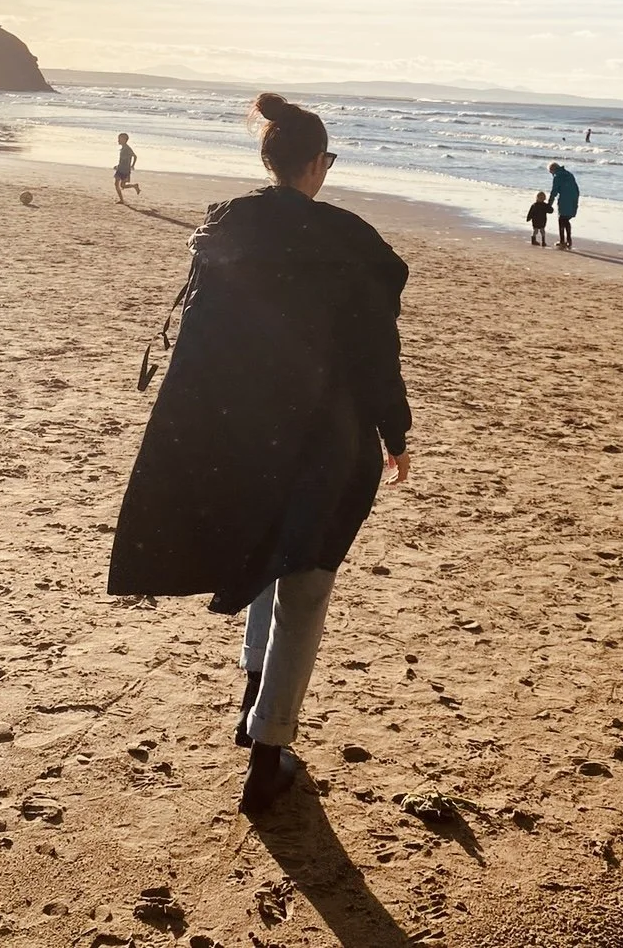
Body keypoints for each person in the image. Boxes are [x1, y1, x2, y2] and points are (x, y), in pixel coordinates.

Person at [108, 92, 411, 817]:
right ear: (314, 164)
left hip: (241, 429)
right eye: (327, 160)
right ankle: (268, 750)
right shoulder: (350, 242)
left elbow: (204, 339)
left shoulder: (225, 226)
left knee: (268, 546)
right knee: (306, 579)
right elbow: (375, 354)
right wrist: (395, 433)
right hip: (323, 436)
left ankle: (253, 683)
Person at [546, 160, 580, 251]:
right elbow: (576, 188)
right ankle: (569, 240)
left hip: (565, 199)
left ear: (553, 170)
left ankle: (562, 241)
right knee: (566, 219)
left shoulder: (557, 176)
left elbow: (554, 191)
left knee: (561, 219)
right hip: (573, 197)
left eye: (550, 172)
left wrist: (549, 204)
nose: (551, 174)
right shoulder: (569, 174)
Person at [114, 132, 141, 202]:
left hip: (125, 170)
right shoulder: (123, 148)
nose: (118, 140)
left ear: (124, 140)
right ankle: (121, 200)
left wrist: (132, 165)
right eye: (118, 139)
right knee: (117, 184)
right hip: (120, 169)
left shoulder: (127, 148)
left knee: (122, 185)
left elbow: (135, 156)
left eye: (120, 139)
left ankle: (134, 186)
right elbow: (123, 159)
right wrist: (117, 166)